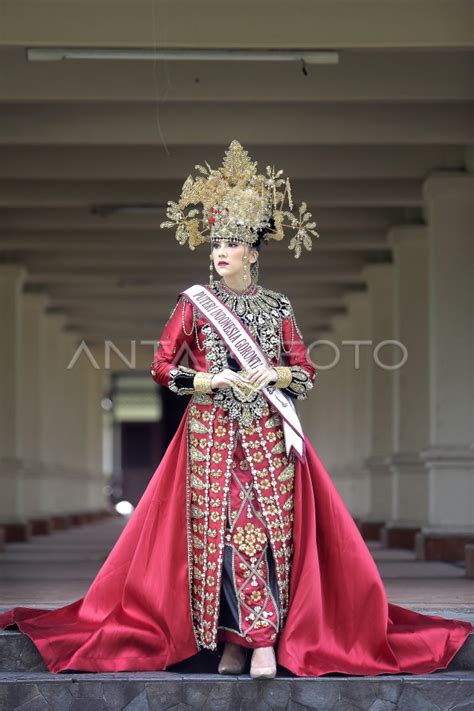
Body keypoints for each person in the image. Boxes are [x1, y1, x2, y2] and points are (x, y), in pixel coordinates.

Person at [0, 140, 471, 679]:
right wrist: (209, 377)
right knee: (224, 529)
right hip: (211, 434)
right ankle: (254, 641)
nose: (218, 251)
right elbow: (160, 366)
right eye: (215, 243)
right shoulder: (193, 304)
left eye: (231, 243)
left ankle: (239, 643)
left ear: (253, 251)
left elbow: (306, 372)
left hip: (271, 436)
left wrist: (275, 374)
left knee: (269, 533)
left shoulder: (278, 306)